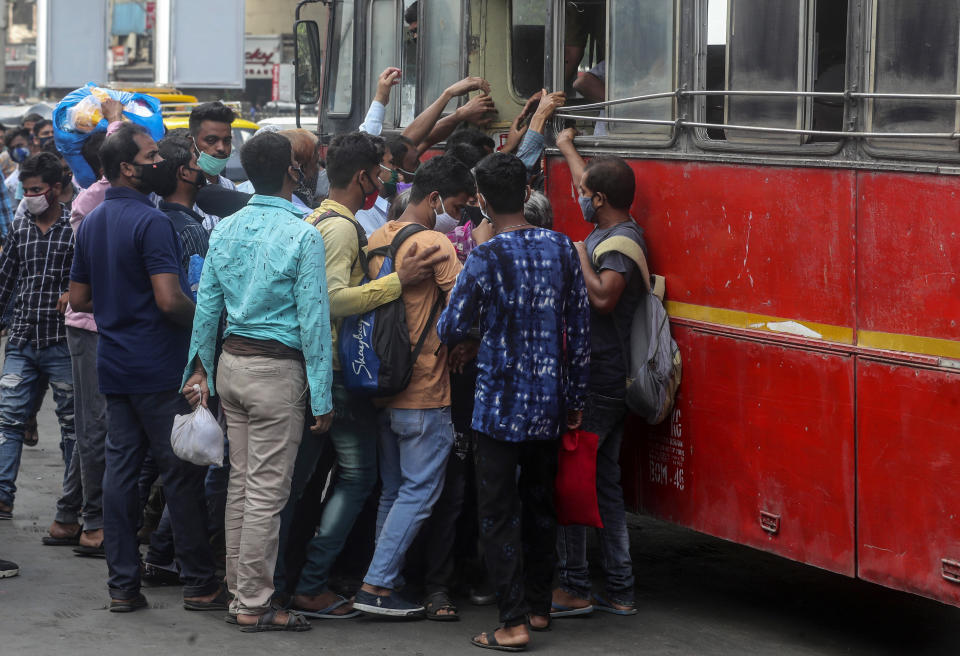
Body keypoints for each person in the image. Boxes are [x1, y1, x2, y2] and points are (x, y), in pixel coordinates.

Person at [284, 132, 444, 619]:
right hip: (335, 372)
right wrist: (399, 281)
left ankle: (284, 578)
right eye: (381, 173)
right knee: (357, 478)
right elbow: (331, 299)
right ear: (362, 177)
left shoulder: (316, 217)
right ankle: (309, 583)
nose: (386, 181)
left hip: (319, 370)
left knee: (301, 481)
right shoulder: (338, 228)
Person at [68, 123, 226, 613]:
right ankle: (200, 584)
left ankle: (122, 587)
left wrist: (120, 305)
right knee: (180, 474)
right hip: (159, 367)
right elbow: (168, 299)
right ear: (127, 169)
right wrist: (206, 320)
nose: (159, 162)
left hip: (115, 365)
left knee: (121, 474)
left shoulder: (93, 222)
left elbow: (78, 298)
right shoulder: (153, 222)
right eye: (152, 155)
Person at [437, 152, 590, 651]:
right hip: (548, 402)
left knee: (498, 511)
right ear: (527, 193)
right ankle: (540, 609)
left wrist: (478, 332)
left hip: (498, 406)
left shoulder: (486, 255)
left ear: (482, 201)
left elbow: (450, 326)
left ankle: (512, 622)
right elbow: (579, 330)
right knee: (541, 506)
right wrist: (575, 396)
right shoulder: (563, 248)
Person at [182, 131, 333, 632]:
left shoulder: (226, 228)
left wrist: (198, 370)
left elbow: (207, 308)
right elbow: (313, 322)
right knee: (267, 491)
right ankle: (253, 603)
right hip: (277, 374)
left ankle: (240, 592)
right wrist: (323, 396)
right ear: (293, 170)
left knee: (243, 486)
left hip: (231, 368)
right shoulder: (304, 234)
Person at [354, 155, 471, 618]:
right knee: (420, 492)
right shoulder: (435, 244)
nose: (458, 216)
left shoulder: (377, 236)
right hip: (423, 389)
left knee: (395, 490)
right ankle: (376, 585)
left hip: (381, 384)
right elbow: (467, 305)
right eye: (458, 206)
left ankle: (389, 583)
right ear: (436, 198)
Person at [552, 131, 642, 617]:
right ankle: (621, 588)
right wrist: (567, 146)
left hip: (599, 381)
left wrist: (580, 256)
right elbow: (584, 183)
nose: (579, 199)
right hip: (608, 378)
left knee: (574, 482)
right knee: (604, 485)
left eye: (586, 196)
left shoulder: (618, 245)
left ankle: (574, 584)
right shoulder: (615, 230)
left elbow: (604, 297)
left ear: (602, 200)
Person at [0, 153, 77, 540]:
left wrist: (72, 294)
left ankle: (70, 506)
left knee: (71, 428)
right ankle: (2, 495)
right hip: (23, 338)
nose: (29, 197)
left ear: (57, 188)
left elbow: (87, 279)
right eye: (26, 190)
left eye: (36, 190)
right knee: (8, 418)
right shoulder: (21, 227)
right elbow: (7, 276)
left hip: (63, 342)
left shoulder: (76, 227)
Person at [64, 101, 125, 559]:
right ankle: (92, 521)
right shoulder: (93, 199)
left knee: (98, 423)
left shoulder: (97, 195)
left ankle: (68, 514)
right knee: (94, 427)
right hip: (91, 326)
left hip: (109, 323)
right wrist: (117, 116)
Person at [156, 135, 210, 273]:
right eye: (196, 163)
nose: (201, 168)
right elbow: (198, 288)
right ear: (184, 173)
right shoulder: (191, 230)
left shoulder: (155, 219)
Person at [189, 101, 238, 231]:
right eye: (211, 140)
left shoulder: (230, 187)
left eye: (226, 141)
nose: (221, 148)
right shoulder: (179, 191)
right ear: (192, 143)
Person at [353, 134, 401, 237]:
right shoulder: (364, 211)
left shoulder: (386, 204)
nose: (395, 168)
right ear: (377, 168)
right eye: (391, 162)